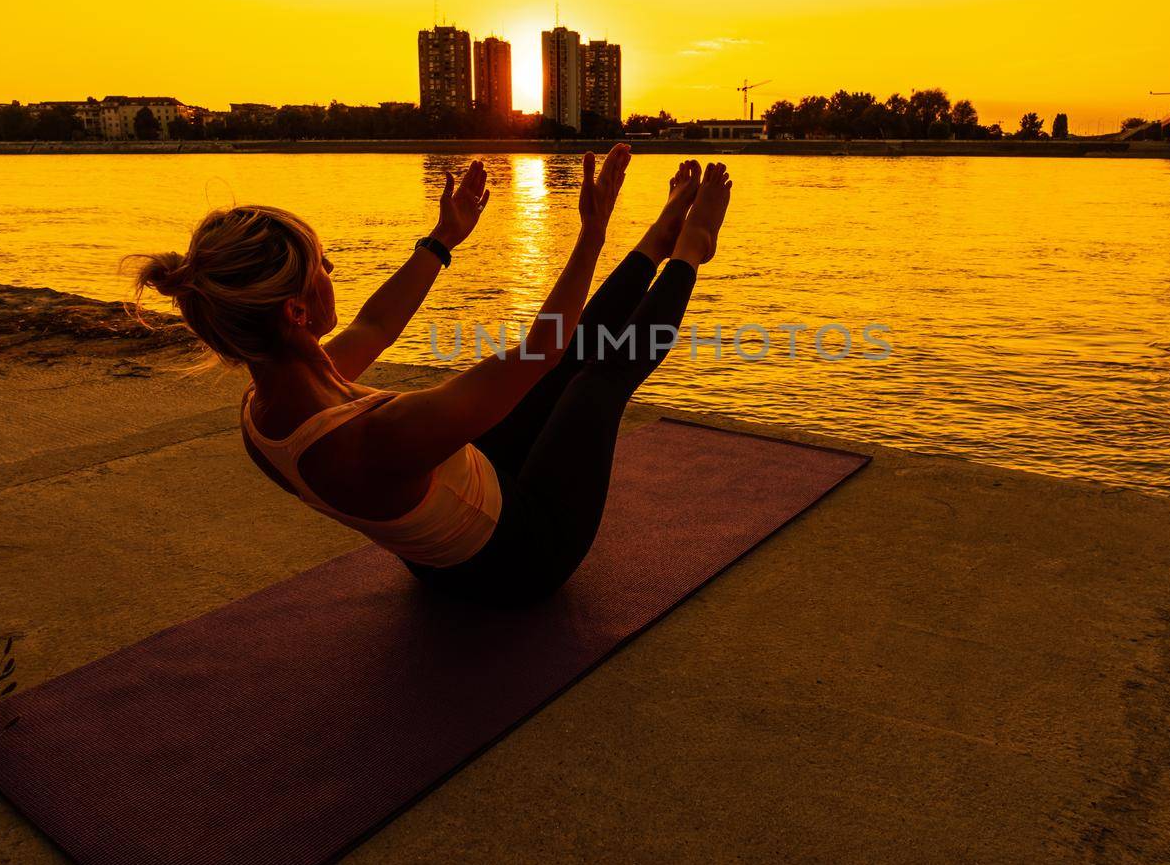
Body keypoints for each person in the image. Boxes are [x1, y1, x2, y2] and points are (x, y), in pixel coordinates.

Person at [128, 145, 731, 605]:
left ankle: (656, 242)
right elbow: (539, 350)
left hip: (454, 535)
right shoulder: (376, 437)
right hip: (522, 560)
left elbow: (375, 325)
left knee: (566, 366)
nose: (333, 266)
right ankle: (690, 249)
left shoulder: (271, 402)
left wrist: (444, 239)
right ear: (295, 311)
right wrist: (592, 233)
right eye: (321, 266)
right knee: (591, 384)